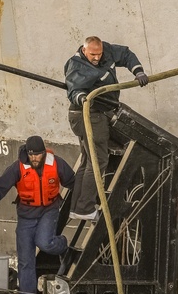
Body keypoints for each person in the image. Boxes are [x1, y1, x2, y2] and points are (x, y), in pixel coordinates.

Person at [0, 136, 75, 294]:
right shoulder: (18, 167)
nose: (35, 159)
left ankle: (62, 244)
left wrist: (85, 198)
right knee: (25, 260)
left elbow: (73, 181)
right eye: (32, 155)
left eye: (38, 155)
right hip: (26, 215)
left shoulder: (56, 164)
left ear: (44, 152)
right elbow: (1, 185)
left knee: (45, 242)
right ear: (27, 153)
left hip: (49, 210)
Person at [64, 36, 149, 220]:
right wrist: (83, 99)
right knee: (99, 160)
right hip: (88, 115)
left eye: (99, 53)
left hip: (93, 114)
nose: (96, 57)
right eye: (93, 54)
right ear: (84, 51)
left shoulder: (107, 51)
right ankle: (85, 208)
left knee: (88, 160)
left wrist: (138, 71)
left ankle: (76, 207)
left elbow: (125, 54)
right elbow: (74, 90)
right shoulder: (76, 65)